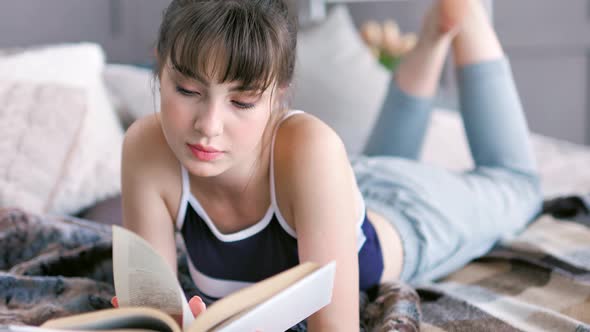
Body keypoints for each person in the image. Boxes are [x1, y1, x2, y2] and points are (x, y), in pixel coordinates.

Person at [113, 0, 543, 330]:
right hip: (334, 187)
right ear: (159, 67)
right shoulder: (146, 149)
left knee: (518, 185)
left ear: (279, 95)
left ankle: (464, 17)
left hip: (407, 214)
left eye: (242, 102)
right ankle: (432, 38)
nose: (207, 127)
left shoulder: (311, 149)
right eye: (187, 90)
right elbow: (155, 312)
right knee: (377, 162)